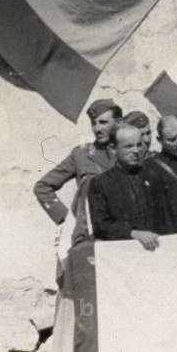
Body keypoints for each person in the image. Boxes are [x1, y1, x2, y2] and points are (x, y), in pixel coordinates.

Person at [34, 98, 122, 247]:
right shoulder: (81, 155)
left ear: (118, 122)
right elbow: (42, 187)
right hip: (91, 236)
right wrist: (67, 221)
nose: (97, 129)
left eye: (103, 123)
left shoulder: (129, 153)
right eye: (94, 123)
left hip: (124, 234)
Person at [87, 124, 175, 250]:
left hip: (157, 250)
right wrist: (133, 233)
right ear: (113, 148)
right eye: (129, 146)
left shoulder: (153, 176)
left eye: (139, 145)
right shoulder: (100, 183)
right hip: (123, 253)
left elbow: (167, 218)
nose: (136, 151)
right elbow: (101, 225)